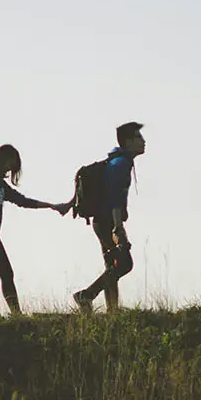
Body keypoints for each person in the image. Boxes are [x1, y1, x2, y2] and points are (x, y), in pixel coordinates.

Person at [0, 144, 69, 317]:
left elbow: (21, 201)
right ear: (2, 159)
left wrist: (51, 206)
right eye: (11, 164)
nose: (10, 169)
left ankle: (16, 315)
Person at [73, 121, 146, 313]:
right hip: (108, 221)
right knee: (124, 263)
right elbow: (115, 196)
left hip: (102, 220)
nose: (143, 141)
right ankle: (86, 295)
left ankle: (112, 310)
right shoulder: (121, 164)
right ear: (127, 142)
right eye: (138, 137)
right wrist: (118, 226)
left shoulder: (118, 161)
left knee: (112, 265)